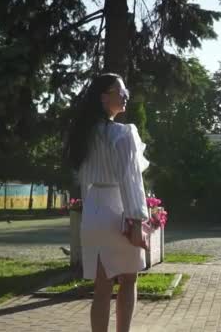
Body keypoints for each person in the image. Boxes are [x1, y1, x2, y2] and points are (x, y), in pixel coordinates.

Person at [67, 73, 149, 332]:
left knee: (101, 289)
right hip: (117, 209)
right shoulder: (123, 134)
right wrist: (136, 220)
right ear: (104, 97)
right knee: (128, 280)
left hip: (94, 210)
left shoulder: (83, 135)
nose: (125, 95)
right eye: (120, 91)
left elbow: (83, 179)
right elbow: (130, 180)